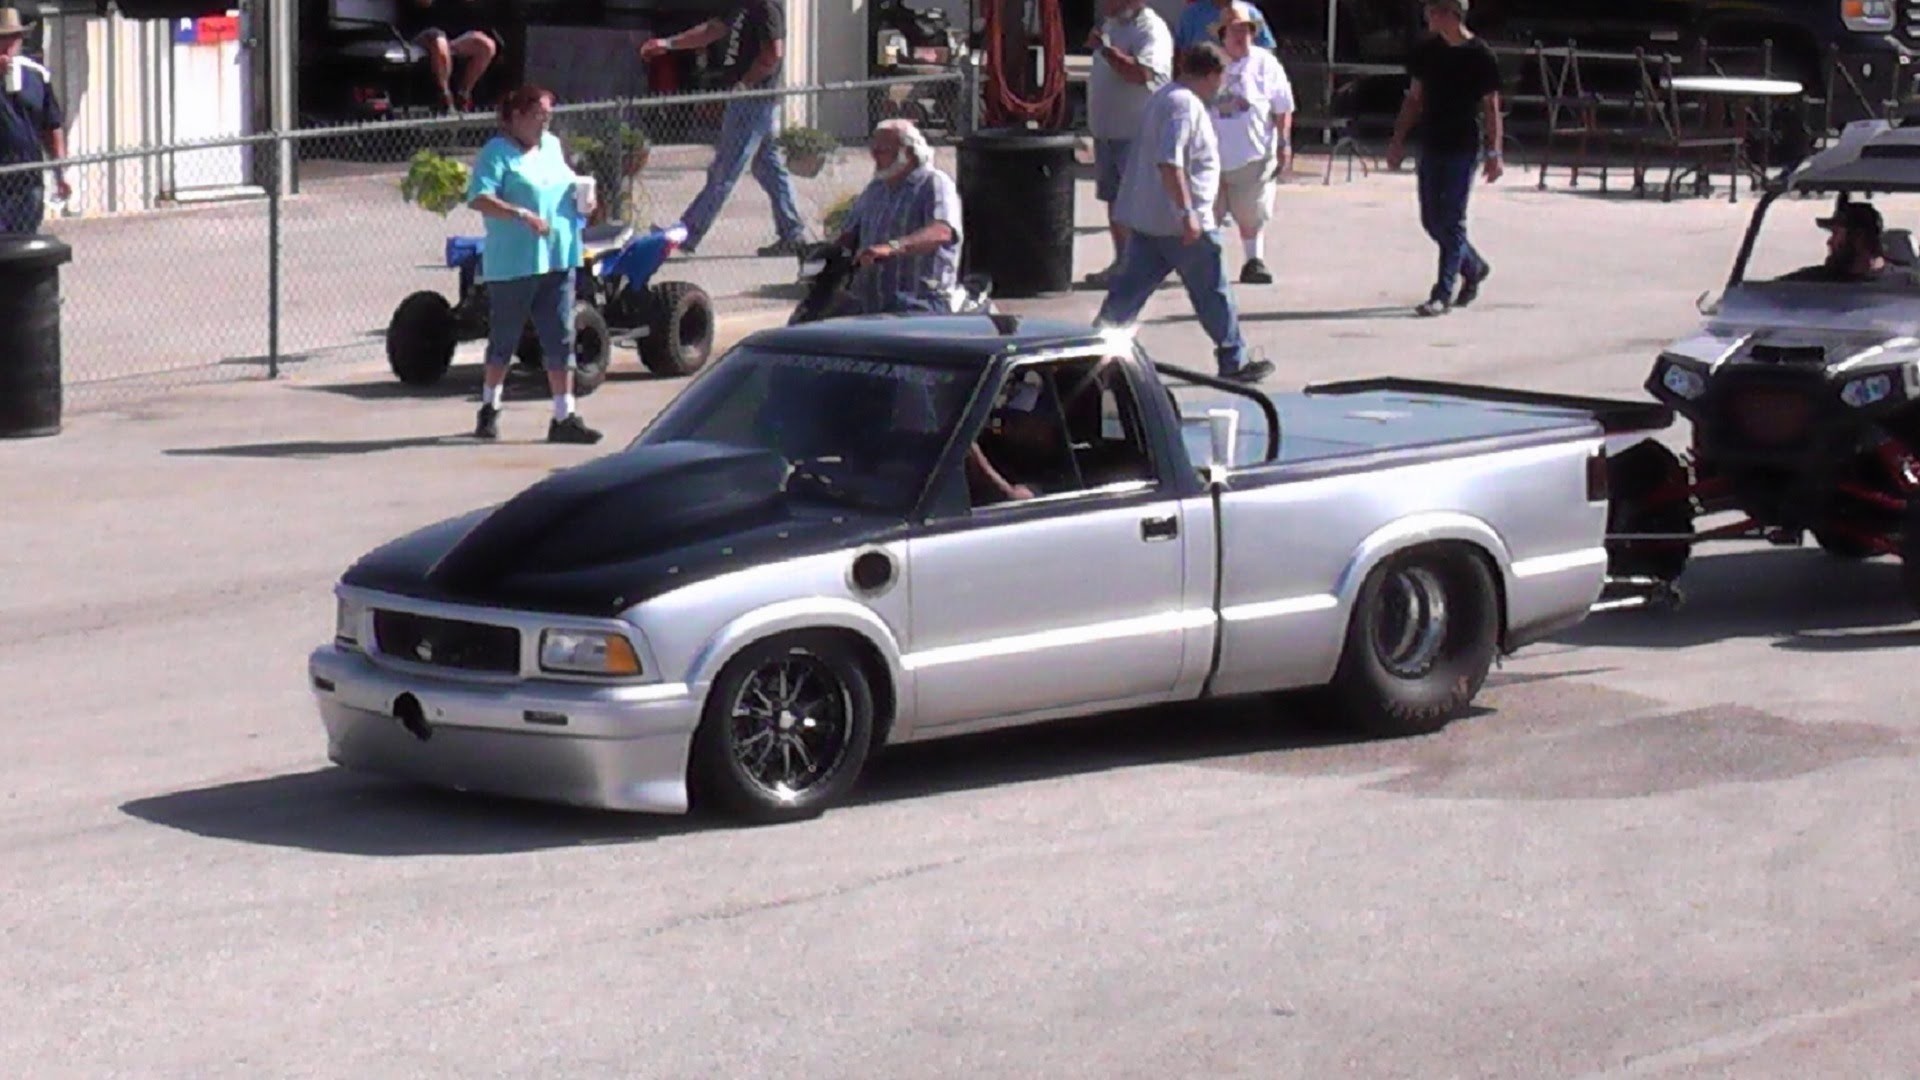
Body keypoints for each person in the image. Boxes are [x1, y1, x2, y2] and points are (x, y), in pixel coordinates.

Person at [1095, 43, 1274, 385]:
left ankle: (1091, 355)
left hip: (1151, 222)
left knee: (1126, 294)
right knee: (1213, 292)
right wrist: (1187, 211)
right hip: (1181, 225)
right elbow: (1169, 160)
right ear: (1209, 74)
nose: (1221, 87)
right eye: (1220, 79)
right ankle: (1233, 359)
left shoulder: (1167, 97)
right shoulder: (1183, 106)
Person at [464, 84, 602, 444]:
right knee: (504, 339)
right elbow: (479, 198)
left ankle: (564, 416)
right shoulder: (497, 153)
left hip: (558, 254)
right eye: (540, 115)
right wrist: (520, 213)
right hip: (514, 262)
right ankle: (489, 408)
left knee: (560, 336)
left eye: (548, 115)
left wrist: (584, 198)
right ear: (517, 116)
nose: (545, 122)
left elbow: (564, 183)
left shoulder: (552, 146)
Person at [639, 0, 808, 257]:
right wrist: (668, 44)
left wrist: (744, 85)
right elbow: (712, 30)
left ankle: (686, 233)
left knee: (724, 169)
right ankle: (792, 233)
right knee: (768, 167)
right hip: (750, 99)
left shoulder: (766, 6)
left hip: (754, 100)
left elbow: (773, 53)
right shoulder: (741, 4)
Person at [1385, 0, 1504, 317]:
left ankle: (1442, 293)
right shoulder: (1427, 51)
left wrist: (1495, 151)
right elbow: (1414, 98)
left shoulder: (1480, 55)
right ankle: (1474, 266)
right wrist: (1397, 140)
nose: (1428, 17)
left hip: (1463, 145)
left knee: (1451, 220)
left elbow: (1491, 106)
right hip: (1431, 141)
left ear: (1451, 14)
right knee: (1431, 220)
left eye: (1434, 11)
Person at [826, 118, 964, 315]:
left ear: (907, 153)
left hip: (920, 300)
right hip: (869, 301)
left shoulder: (934, 183)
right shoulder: (875, 189)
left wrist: (891, 248)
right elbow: (849, 234)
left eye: (883, 150)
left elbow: (942, 232)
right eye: (873, 149)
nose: (875, 156)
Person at [1084, 0, 1171, 286]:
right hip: (1108, 132)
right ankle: (1123, 264)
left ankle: (1142, 268)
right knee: (1115, 202)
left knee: (1137, 204)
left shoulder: (1150, 29)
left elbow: (1142, 73)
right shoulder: (1112, 25)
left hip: (1137, 135)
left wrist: (1107, 50)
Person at [1209, 1, 1293, 284]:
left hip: (1253, 153)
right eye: (1234, 30)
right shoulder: (1210, 62)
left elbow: (1283, 106)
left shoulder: (1266, 64)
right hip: (1211, 155)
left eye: (1246, 30)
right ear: (1222, 35)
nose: (1241, 35)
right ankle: (1208, 264)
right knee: (1210, 214)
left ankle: (1253, 261)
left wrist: (1284, 143)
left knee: (1252, 213)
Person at [0, 6, 69, 235]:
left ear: (20, 39)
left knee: (24, 241)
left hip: (29, 178)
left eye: (12, 37)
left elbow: (52, 126)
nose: (7, 44)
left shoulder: (36, 75)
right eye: (2, 38)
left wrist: (60, 173)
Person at [397, 0, 499, 112]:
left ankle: (463, 95)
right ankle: (445, 97)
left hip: (452, 33)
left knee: (486, 46)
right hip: (420, 31)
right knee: (439, 42)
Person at [1778, 202, 1898, 283]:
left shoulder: (1904, 286)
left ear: (1858, 237)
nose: (1829, 242)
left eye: (1835, 233)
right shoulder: (1810, 282)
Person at [1173, 0, 1272, 52]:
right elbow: (1181, 52)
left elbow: (1267, 48)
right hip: (1201, 81)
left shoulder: (1250, 12)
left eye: (1242, 29)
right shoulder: (1192, 13)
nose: (1237, 34)